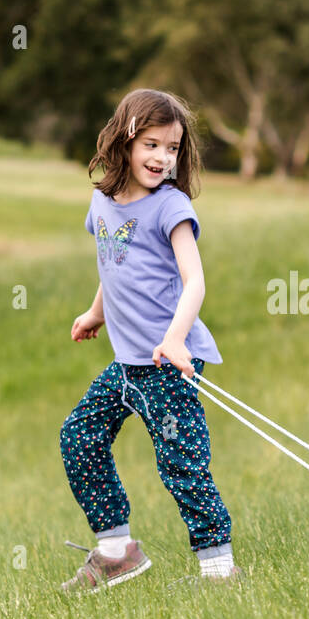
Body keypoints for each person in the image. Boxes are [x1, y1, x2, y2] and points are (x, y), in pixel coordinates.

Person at [59, 89, 237, 592]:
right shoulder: (102, 204)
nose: (162, 158)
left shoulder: (171, 207)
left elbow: (195, 281)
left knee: (182, 465)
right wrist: (94, 313)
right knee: (79, 438)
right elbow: (113, 268)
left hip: (167, 361)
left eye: (173, 148)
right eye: (152, 145)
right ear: (125, 141)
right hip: (127, 365)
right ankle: (117, 552)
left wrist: (176, 339)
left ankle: (219, 571)